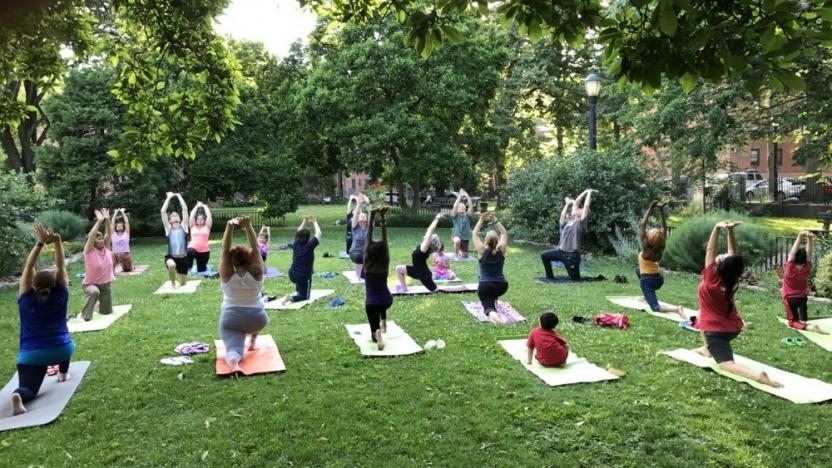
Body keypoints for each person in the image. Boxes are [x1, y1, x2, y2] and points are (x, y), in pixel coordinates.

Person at [695, 221, 781, 387]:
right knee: (700, 314)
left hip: (717, 332)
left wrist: (716, 228)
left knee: (725, 364)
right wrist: (730, 231)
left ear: (720, 266)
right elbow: (732, 255)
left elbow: (710, 250)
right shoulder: (732, 279)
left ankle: (758, 377)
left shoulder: (711, 279)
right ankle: (707, 349)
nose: (723, 256)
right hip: (733, 328)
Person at [11, 224, 75, 416]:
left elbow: (29, 267)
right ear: (55, 284)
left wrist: (40, 243)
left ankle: (19, 396)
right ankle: (63, 372)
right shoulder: (60, 296)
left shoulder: (26, 299)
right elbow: (61, 266)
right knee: (67, 343)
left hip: (31, 356)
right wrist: (56, 241)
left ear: (33, 285)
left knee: (29, 389)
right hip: (61, 349)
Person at [218, 216, 268, 373]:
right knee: (259, 313)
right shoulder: (256, 273)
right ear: (249, 258)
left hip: (232, 319)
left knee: (233, 348)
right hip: (258, 319)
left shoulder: (227, 274)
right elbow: (256, 247)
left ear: (232, 262)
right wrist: (248, 226)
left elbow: (224, 250)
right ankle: (253, 340)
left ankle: (234, 360)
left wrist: (229, 227)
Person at [636, 201, 687, 319]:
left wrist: (650, 208)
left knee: (655, 307)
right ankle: (647, 295)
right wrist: (661, 210)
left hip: (648, 281)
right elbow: (664, 227)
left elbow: (642, 224)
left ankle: (677, 309)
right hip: (658, 279)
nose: (647, 232)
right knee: (638, 270)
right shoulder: (660, 247)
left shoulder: (646, 250)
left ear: (648, 239)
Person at [540, 189, 600, 281]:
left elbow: (586, 206)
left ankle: (575, 275)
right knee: (544, 255)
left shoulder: (581, 223)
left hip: (571, 256)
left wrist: (589, 193)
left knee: (575, 279)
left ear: (583, 214)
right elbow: (575, 203)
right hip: (560, 252)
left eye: (581, 210)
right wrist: (584, 191)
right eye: (579, 209)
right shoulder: (570, 221)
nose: (578, 209)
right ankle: (549, 277)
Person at [782, 231, 828, 334]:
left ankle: (809, 328)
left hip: (790, 299)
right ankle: (805, 321)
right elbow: (809, 254)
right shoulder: (807, 268)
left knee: (792, 321)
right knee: (802, 312)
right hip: (803, 298)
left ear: (794, 259)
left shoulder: (790, 268)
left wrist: (799, 236)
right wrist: (810, 239)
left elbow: (792, 253)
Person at [363, 206, 393, 350]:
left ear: (368, 254)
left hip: (372, 303)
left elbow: (368, 238)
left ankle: (376, 333)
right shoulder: (385, 263)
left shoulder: (367, 266)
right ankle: (384, 321)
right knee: (380, 300)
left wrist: (372, 215)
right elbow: (385, 239)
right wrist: (382, 217)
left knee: (372, 308)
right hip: (387, 300)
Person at [472, 211, 509, 324]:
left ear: (486, 241)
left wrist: (481, 219)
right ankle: (495, 300)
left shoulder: (482, 251)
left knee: (488, 307)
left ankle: (496, 317)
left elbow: (474, 234)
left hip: (486, 286)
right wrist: (494, 219)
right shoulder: (501, 249)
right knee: (490, 289)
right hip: (502, 286)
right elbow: (503, 233)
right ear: (497, 241)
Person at [395, 213, 445, 293]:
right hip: (417, 271)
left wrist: (437, 218)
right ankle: (404, 289)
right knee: (398, 268)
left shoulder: (424, 248)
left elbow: (430, 229)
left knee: (437, 292)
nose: (428, 235)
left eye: (430, 237)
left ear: (430, 242)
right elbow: (429, 231)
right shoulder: (423, 246)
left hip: (424, 275)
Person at [81, 209, 114, 321]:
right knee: (94, 291)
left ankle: (96, 305)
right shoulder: (89, 251)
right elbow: (91, 236)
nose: (100, 240)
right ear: (93, 241)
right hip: (90, 284)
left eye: (101, 238)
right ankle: (85, 316)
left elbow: (109, 233)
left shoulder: (106, 248)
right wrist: (99, 221)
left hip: (106, 285)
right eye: (98, 238)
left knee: (107, 313)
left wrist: (108, 220)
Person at [286, 215, 321, 303]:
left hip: (292, 274)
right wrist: (314, 222)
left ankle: (299, 290)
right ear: (308, 238)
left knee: (300, 280)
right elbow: (318, 234)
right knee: (305, 297)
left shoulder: (296, 243)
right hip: (303, 276)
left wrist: (304, 221)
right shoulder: (309, 246)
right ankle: (291, 298)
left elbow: (298, 231)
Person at [161, 192, 190, 288]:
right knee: (172, 265)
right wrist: (168, 197)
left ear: (180, 218)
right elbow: (163, 211)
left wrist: (178, 195)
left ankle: (179, 279)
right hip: (171, 257)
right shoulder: (168, 228)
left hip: (183, 258)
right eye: (172, 215)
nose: (174, 216)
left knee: (183, 283)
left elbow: (185, 209)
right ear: (169, 220)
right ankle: (173, 283)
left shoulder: (184, 227)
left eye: (176, 215)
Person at [187, 201, 213, 273]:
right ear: (196, 220)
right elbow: (192, 215)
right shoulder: (192, 226)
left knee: (201, 270)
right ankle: (189, 269)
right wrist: (197, 206)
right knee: (189, 251)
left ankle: (202, 266)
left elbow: (209, 215)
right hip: (193, 249)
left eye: (202, 219)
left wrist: (204, 206)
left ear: (204, 220)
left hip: (204, 251)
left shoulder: (207, 227)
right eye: (198, 219)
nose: (200, 220)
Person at [348, 196, 370, 278]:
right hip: (355, 252)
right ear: (357, 219)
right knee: (359, 257)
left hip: (366, 252)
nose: (363, 216)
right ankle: (358, 275)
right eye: (361, 215)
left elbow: (371, 214)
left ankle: (363, 273)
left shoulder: (369, 227)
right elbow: (356, 214)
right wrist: (359, 204)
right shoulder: (355, 227)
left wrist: (368, 204)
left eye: (364, 215)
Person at [451, 188, 474, 258]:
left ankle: (460, 251)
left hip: (465, 238)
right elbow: (455, 206)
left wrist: (467, 196)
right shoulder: (455, 216)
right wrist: (459, 197)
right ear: (457, 209)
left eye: (463, 207)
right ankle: (456, 255)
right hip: (456, 236)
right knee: (457, 240)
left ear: (465, 209)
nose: (461, 208)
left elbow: (471, 207)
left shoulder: (467, 216)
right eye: (460, 207)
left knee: (465, 255)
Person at [110, 208, 132, 273]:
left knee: (127, 270)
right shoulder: (113, 234)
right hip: (115, 255)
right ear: (115, 228)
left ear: (123, 227)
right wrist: (115, 212)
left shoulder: (126, 233)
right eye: (118, 226)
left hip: (125, 254)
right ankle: (112, 268)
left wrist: (122, 212)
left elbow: (126, 222)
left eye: (121, 226)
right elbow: (112, 222)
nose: (119, 226)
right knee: (111, 255)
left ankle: (129, 265)